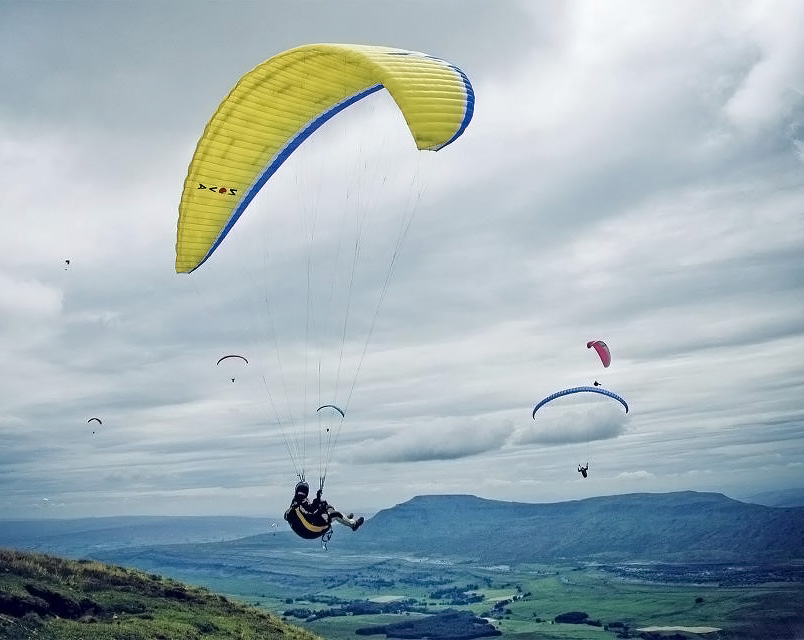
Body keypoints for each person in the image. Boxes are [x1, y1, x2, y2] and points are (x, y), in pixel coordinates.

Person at [284, 481, 364, 540]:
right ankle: (353, 524)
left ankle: (345, 518)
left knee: (327, 506)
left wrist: (318, 500)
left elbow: (309, 510)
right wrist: (318, 500)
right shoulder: (299, 503)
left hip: (307, 527)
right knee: (335, 514)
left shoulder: (297, 500)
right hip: (311, 529)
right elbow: (310, 511)